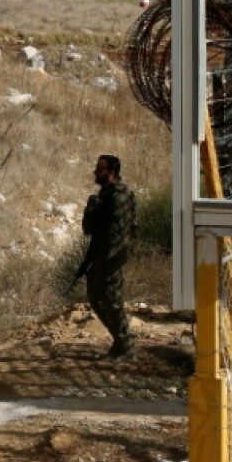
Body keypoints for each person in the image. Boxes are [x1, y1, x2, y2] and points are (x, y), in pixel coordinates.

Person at [74, 154, 137, 359]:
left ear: (110, 173)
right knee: (96, 297)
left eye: (99, 169)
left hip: (112, 256)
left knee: (112, 299)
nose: (95, 172)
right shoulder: (105, 195)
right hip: (102, 255)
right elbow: (89, 229)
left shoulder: (118, 197)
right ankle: (120, 341)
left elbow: (116, 234)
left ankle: (125, 344)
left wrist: (104, 262)